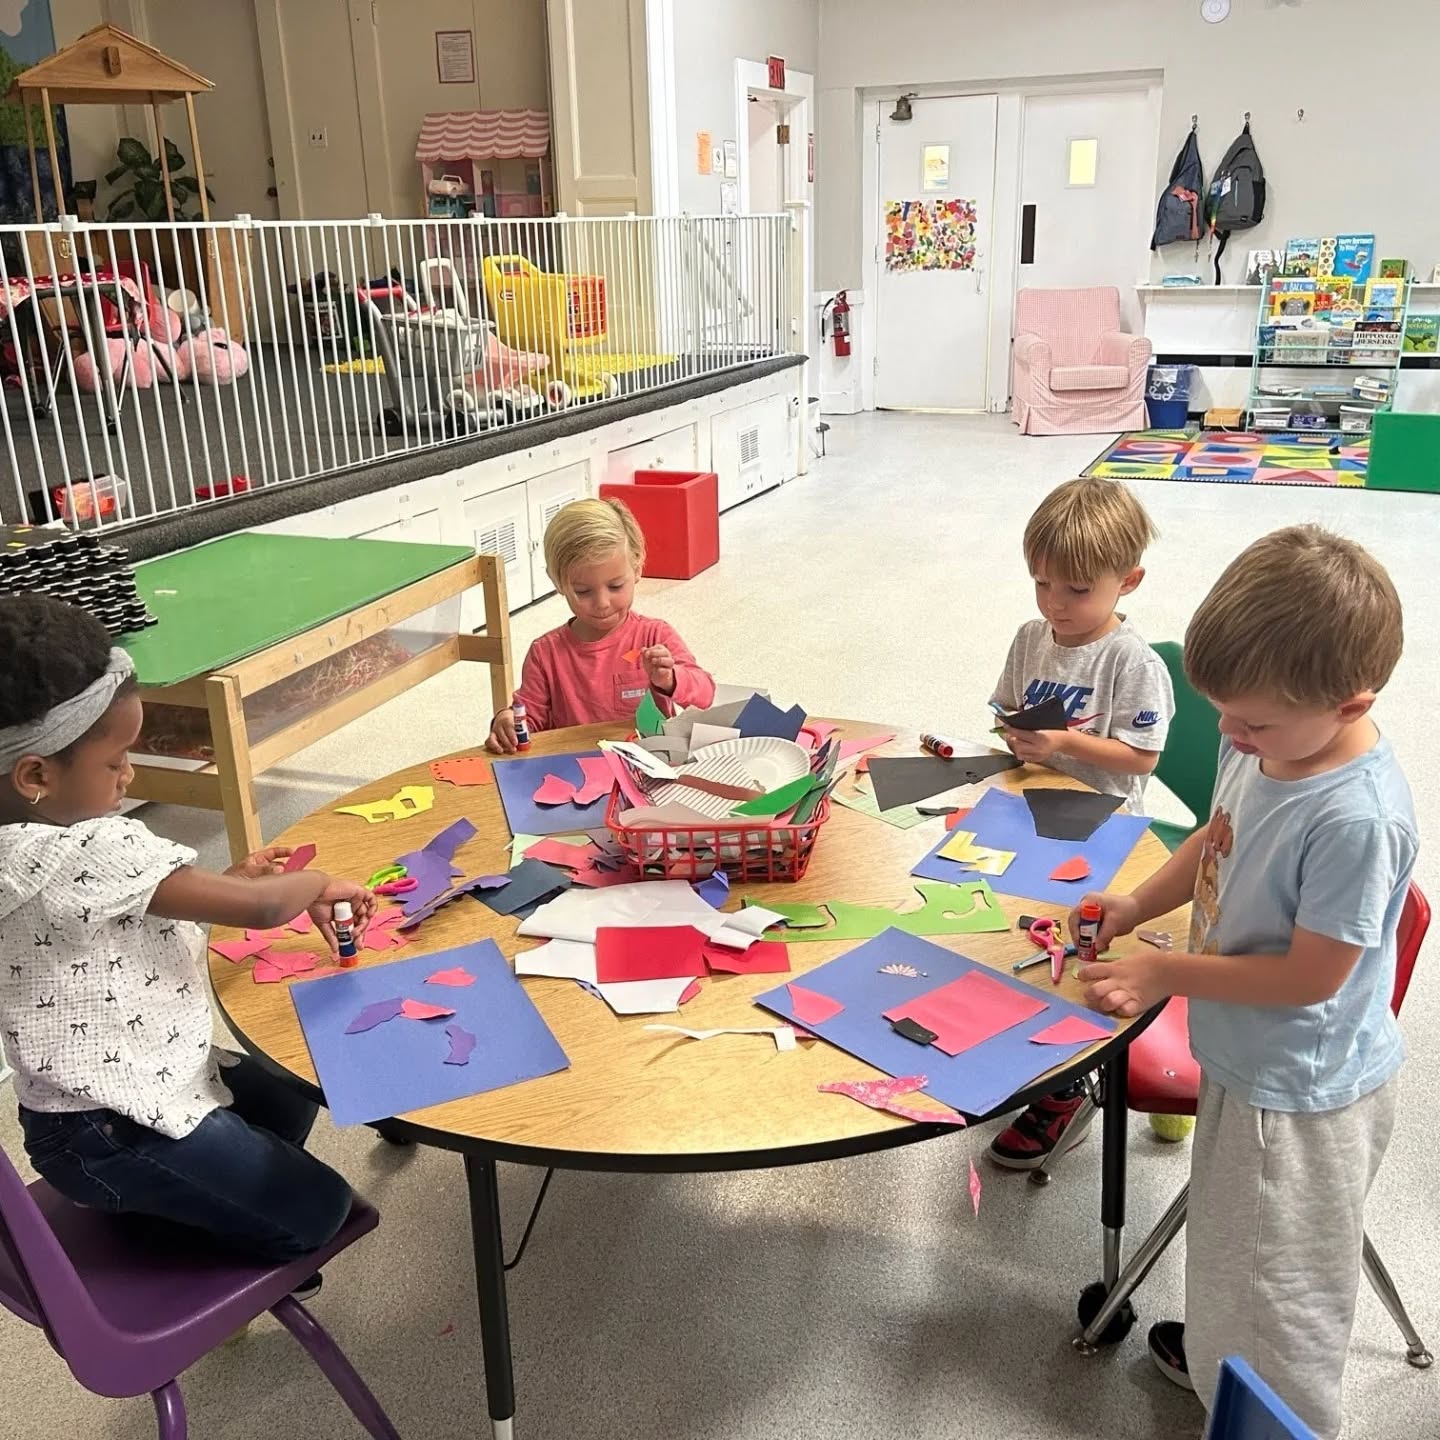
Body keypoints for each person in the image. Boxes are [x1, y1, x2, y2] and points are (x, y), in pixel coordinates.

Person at [1073, 525, 1413, 1440]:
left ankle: (1270, 1413)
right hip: (1248, 1055)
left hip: (1298, 1094)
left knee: (1281, 1291)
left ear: (1349, 703)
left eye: (1250, 722)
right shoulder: (1265, 740)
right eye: (1222, 713)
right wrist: (1137, 902)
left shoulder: (1355, 819)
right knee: (1239, 1255)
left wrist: (1162, 972)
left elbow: (1309, 977)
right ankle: (1224, 1360)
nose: (1227, 734)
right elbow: (1214, 838)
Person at [0, 595, 374, 1266]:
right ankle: (185, 1221)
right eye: (116, 761)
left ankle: (199, 1195)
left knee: (288, 1092)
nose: (131, 774)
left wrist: (229, 881)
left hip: (86, 1114)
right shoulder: (88, 848)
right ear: (36, 775)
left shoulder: (19, 849)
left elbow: (103, 924)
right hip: (108, 1132)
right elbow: (265, 911)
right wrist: (314, 883)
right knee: (323, 1210)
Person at [987, 475, 1175, 1169]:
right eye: (1041, 583)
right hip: (1031, 810)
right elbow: (1007, 708)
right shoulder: (1030, 638)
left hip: (1105, 827)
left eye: (1075, 590)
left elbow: (1143, 757)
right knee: (1006, 931)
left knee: (1073, 954)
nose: (1054, 604)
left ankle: (1065, 1088)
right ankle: (1017, 1047)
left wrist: (1064, 741)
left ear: (1128, 581)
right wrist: (1015, 736)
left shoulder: (1131, 661)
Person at [486, 496, 715, 752]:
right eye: (583, 591)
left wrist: (671, 679)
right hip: (573, 766)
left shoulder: (655, 635)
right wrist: (508, 721)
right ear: (558, 582)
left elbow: (706, 694)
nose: (602, 603)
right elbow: (528, 721)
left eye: (615, 586)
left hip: (649, 765)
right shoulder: (545, 653)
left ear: (637, 568)